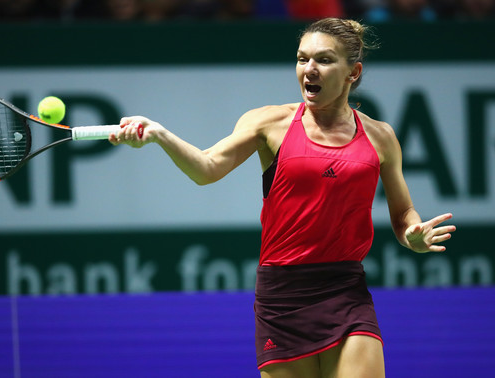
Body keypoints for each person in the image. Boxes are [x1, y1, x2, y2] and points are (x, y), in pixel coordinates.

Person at [110, 17, 456, 378]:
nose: (309, 69)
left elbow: (404, 215)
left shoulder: (380, 137)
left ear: (353, 72)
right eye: (302, 58)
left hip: (346, 288)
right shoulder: (268, 123)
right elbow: (207, 167)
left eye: (323, 60)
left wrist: (414, 234)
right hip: (283, 296)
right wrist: (159, 135)